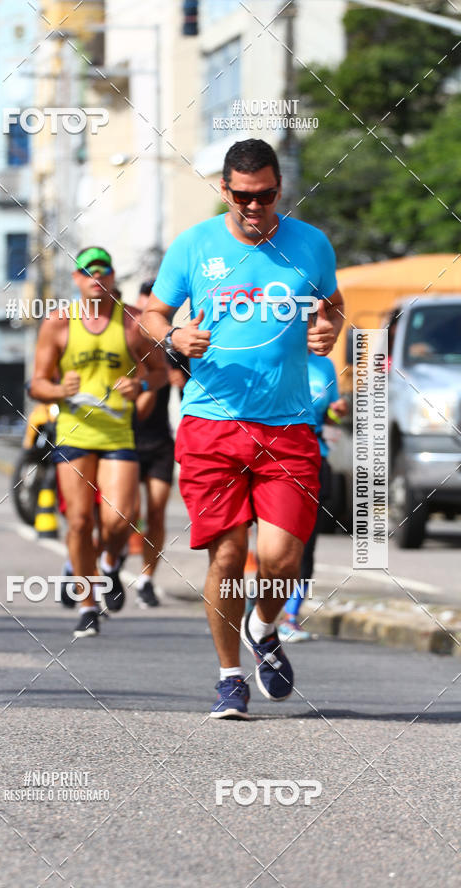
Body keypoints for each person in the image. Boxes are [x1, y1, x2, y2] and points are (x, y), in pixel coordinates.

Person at [141, 139, 344, 719]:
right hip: (212, 424)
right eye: (243, 197)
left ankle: (264, 625)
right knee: (228, 558)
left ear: (279, 189)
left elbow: (332, 304)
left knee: (281, 559)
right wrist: (173, 337)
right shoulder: (194, 244)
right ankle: (230, 677)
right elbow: (152, 315)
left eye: (266, 196)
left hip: (288, 427)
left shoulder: (311, 243)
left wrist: (329, 329)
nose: (255, 208)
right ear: (224, 190)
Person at [30, 246, 167, 638]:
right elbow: (36, 384)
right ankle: (88, 604)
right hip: (73, 433)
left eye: (103, 272)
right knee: (78, 520)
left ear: (112, 278)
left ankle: (109, 562)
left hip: (117, 433)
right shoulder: (58, 323)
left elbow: (161, 373)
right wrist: (58, 389)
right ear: (76, 279)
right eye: (87, 272)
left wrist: (139, 383)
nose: (96, 278)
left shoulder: (132, 323)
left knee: (119, 519)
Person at [278, 352, 348, 642]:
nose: (319, 328)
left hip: (316, 459)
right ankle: (261, 608)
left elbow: (328, 416)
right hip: (278, 458)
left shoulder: (325, 365)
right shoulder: (276, 351)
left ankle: (291, 617)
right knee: (278, 544)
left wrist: (336, 412)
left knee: (306, 545)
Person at [132, 279, 189, 608]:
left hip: (159, 442)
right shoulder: (121, 343)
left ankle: (147, 580)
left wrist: (178, 380)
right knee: (120, 515)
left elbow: (189, 398)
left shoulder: (173, 350)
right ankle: (98, 568)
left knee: (156, 513)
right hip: (120, 441)